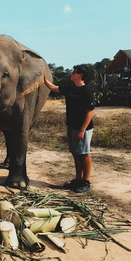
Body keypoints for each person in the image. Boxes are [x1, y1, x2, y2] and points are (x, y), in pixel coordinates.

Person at [44, 64, 95, 193]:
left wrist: (82, 130)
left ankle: (86, 181)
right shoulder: (70, 89)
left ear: (80, 75)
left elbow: (90, 112)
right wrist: (43, 77)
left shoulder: (86, 91)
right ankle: (78, 179)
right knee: (76, 154)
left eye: (74, 72)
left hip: (83, 128)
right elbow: (53, 88)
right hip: (72, 126)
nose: (71, 74)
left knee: (84, 154)